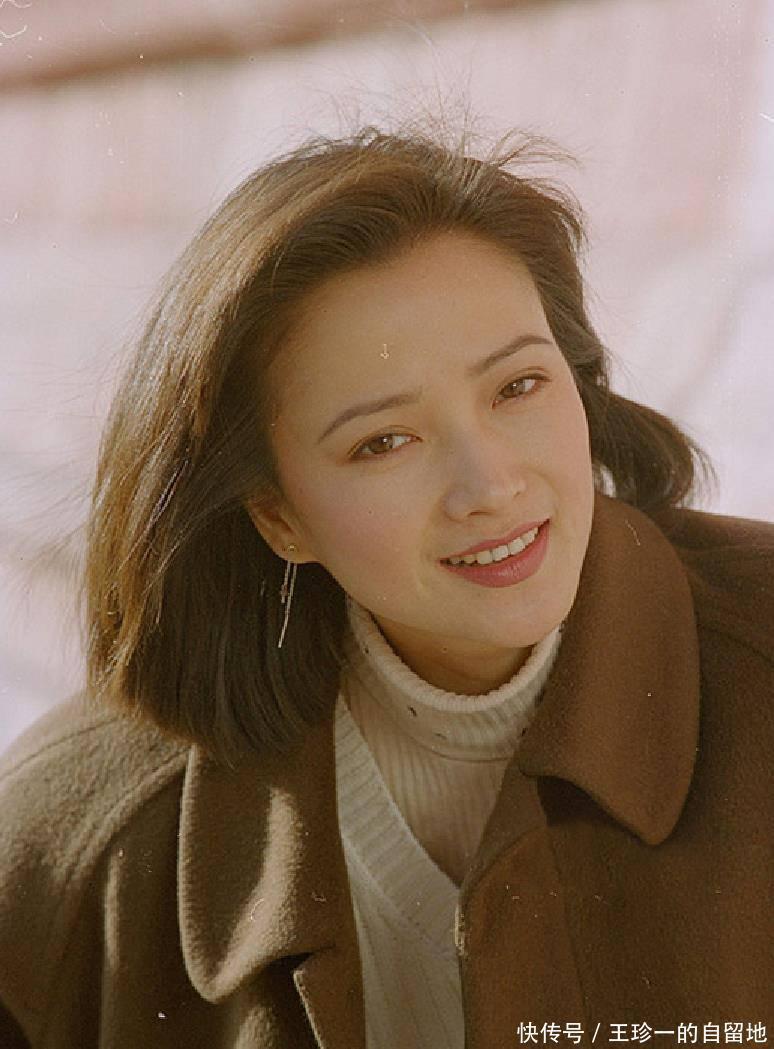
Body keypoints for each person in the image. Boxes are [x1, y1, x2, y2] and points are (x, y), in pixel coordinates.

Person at [0, 124, 772, 1049]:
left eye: (518, 386)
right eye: (384, 442)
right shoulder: (81, 839)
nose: (490, 486)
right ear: (278, 516)